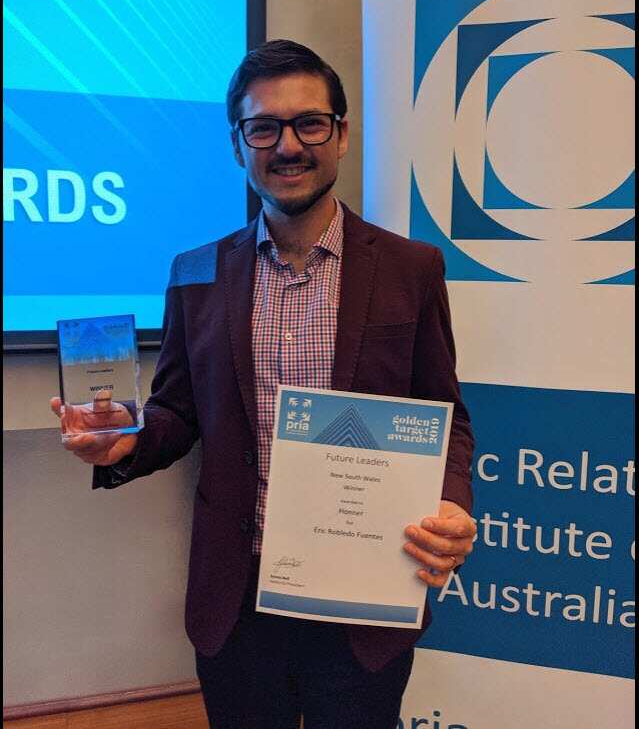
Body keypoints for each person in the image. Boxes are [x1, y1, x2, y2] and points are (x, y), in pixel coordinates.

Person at [51, 39, 475, 729]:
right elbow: (177, 411)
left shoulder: (410, 268)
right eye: (263, 127)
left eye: (309, 123)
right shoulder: (196, 271)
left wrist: (452, 503)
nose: (287, 145)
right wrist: (123, 442)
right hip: (236, 599)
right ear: (237, 144)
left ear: (340, 134)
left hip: (361, 593)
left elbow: (445, 415)